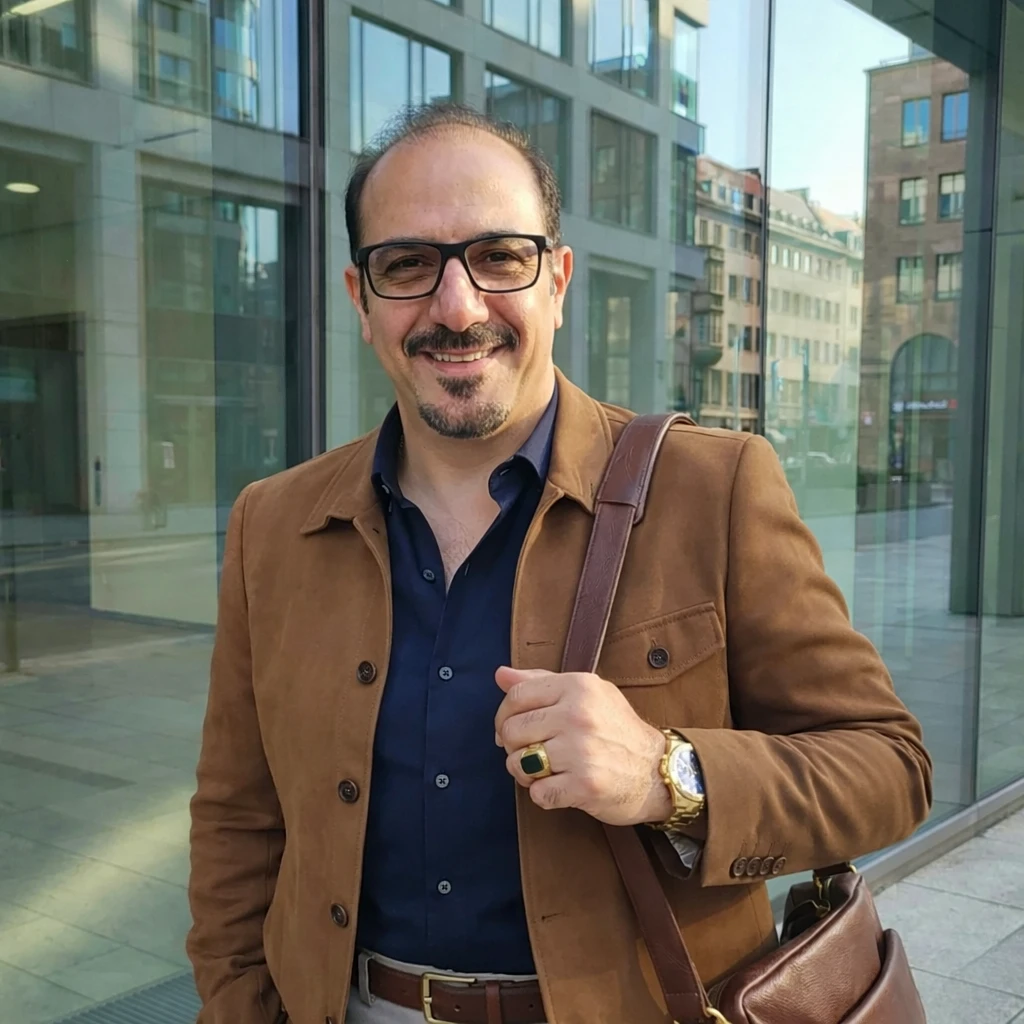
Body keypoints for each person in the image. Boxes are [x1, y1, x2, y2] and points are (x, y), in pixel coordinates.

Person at [186, 104, 932, 1024]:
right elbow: (237, 823)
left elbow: (889, 767)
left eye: (501, 257)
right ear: (360, 299)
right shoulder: (274, 523)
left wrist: (671, 776)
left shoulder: (714, 489)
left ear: (558, 281)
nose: (456, 308)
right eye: (408, 265)